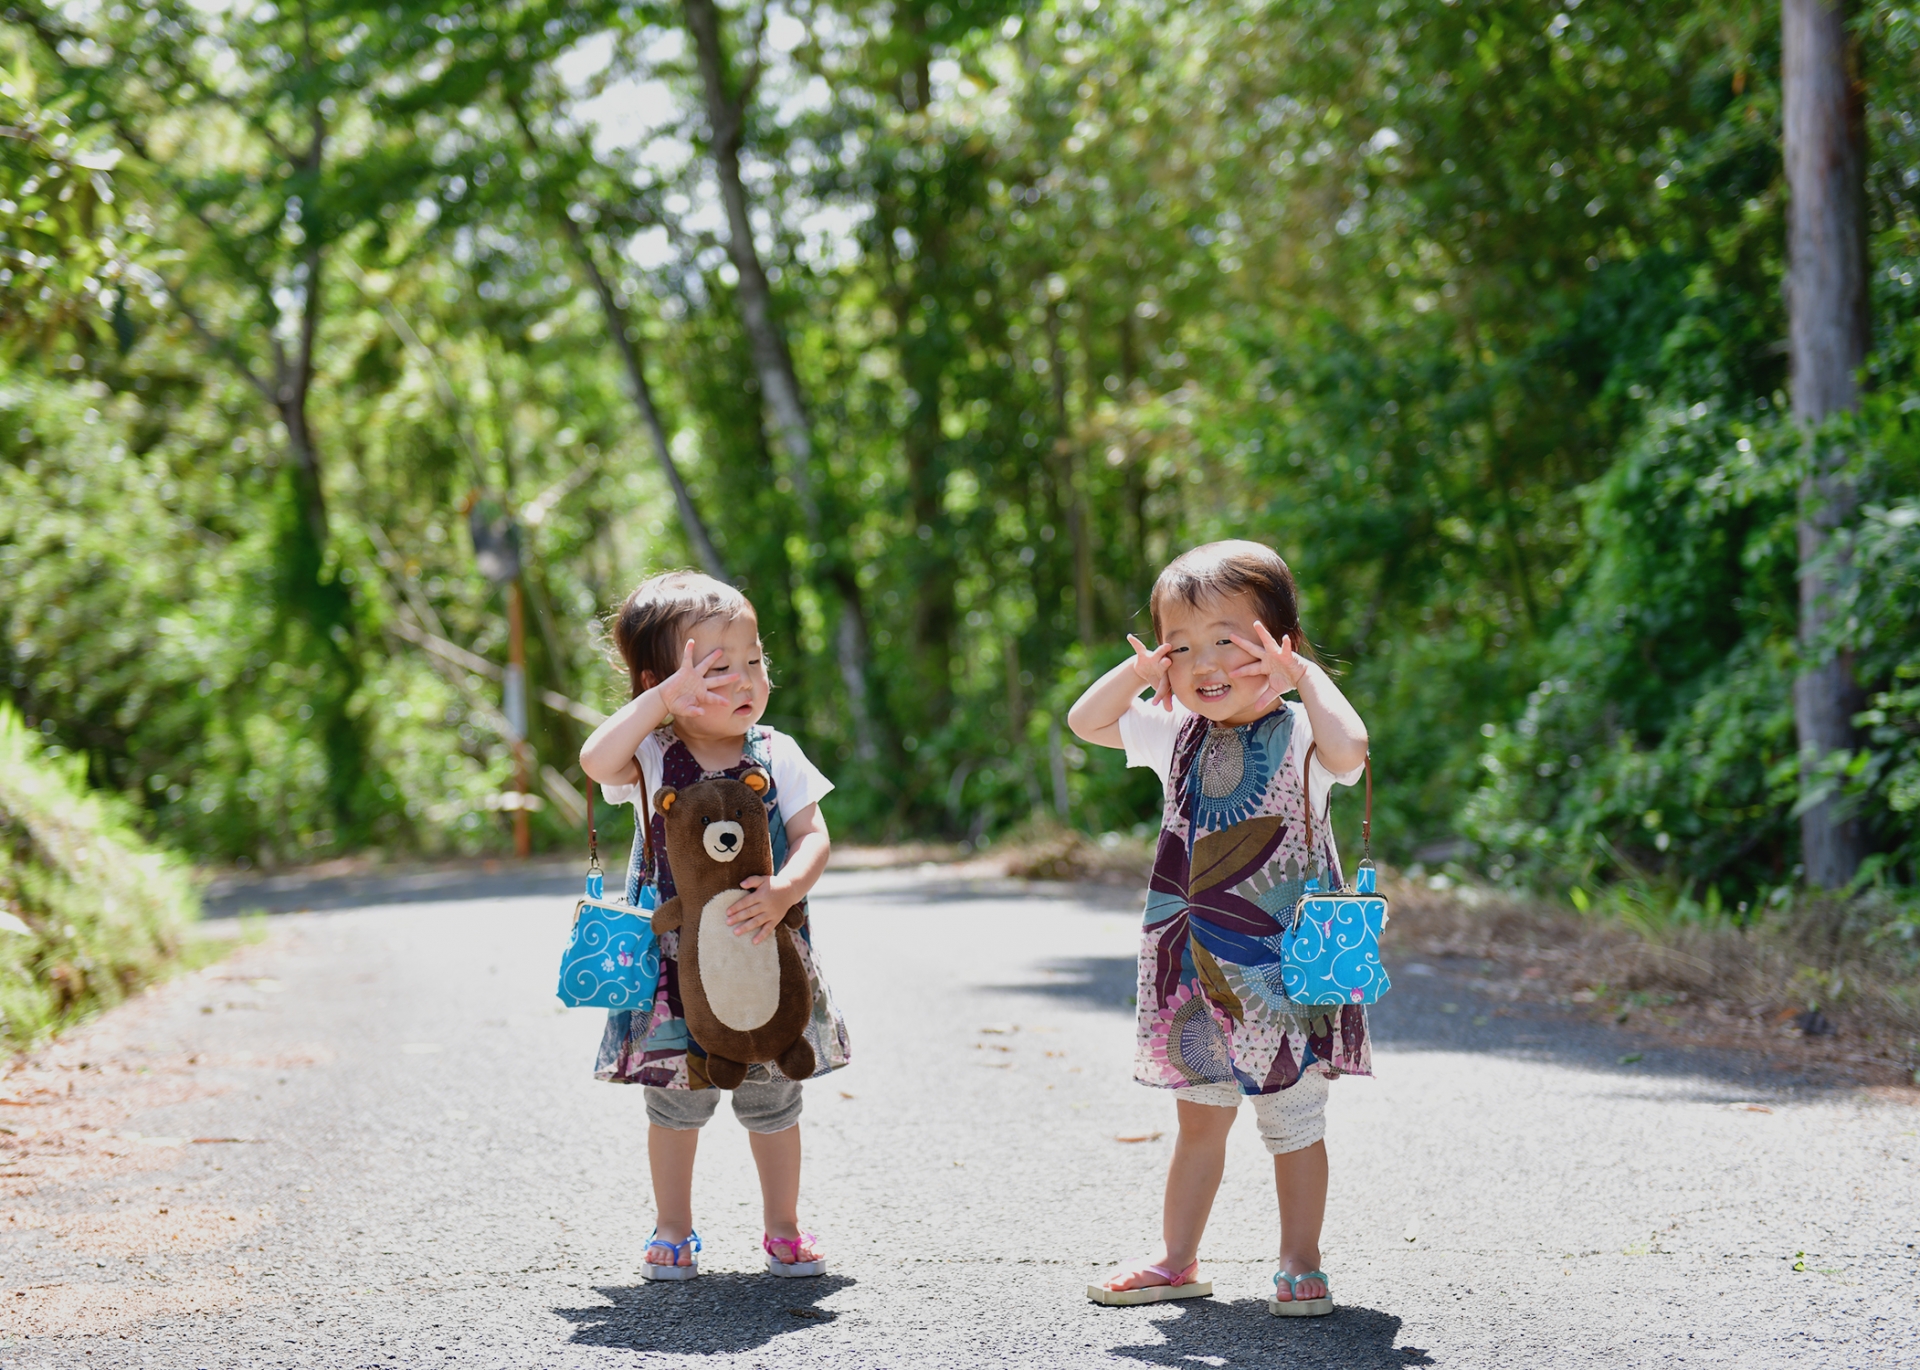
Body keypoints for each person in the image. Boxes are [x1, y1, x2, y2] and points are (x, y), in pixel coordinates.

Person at [1067, 540, 1370, 1316]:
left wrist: (1306, 680)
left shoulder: (1304, 731)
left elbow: (1353, 748)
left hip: (1280, 965)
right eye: (1182, 646)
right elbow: (1085, 721)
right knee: (1198, 1116)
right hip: (1192, 962)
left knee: (1291, 1116)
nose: (1204, 663)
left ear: (1280, 646)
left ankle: (1300, 1260)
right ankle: (1177, 1258)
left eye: (1228, 642)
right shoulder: (1172, 730)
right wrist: (1141, 672)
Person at [580, 570, 850, 1281]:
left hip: (765, 958)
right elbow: (592, 758)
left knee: (772, 1094)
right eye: (716, 668)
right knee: (675, 1099)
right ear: (658, 681)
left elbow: (813, 833)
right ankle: (673, 1228)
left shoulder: (775, 750)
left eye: (754, 662)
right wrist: (656, 707)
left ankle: (783, 1227)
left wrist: (790, 886)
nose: (744, 681)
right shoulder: (647, 753)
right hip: (673, 970)